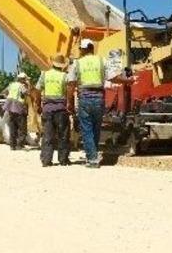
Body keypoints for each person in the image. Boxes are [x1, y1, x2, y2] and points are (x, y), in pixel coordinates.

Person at [67, 39, 129, 168]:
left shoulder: (77, 63)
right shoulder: (102, 61)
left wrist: (70, 102)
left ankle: (92, 158)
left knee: (87, 129)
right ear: (92, 48)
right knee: (95, 128)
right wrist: (127, 81)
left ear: (84, 49)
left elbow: (71, 85)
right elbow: (113, 77)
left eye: (81, 49)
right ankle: (92, 155)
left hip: (84, 98)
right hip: (99, 98)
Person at [36, 54, 70, 167]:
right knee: (63, 135)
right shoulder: (65, 76)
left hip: (47, 109)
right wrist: (70, 105)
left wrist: (38, 105)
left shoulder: (44, 75)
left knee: (47, 136)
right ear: (62, 65)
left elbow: (37, 90)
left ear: (52, 63)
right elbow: (69, 91)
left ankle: (46, 160)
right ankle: (63, 160)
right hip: (61, 109)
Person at [2, 72, 30, 151]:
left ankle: (12, 145)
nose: (25, 81)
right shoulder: (21, 86)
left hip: (10, 107)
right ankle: (20, 145)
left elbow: (4, 92)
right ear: (22, 79)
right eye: (25, 79)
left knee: (13, 127)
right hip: (19, 107)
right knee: (22, 127)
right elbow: (26, 93)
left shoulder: (11, 85)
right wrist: (28, 87)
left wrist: (7, 98)